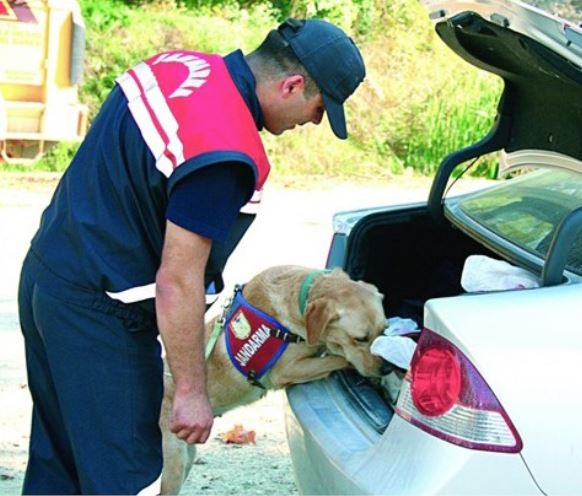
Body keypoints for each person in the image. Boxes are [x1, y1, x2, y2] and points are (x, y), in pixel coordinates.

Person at [16, 17, 365, 494]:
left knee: (60, 468)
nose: (314, 122)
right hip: (101, 317)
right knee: (128, 478)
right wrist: (191, 391)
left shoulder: (175, 68)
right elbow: (178, 280)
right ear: (293, 85)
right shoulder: (226, 151)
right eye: (320, 108)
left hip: (47, 278)